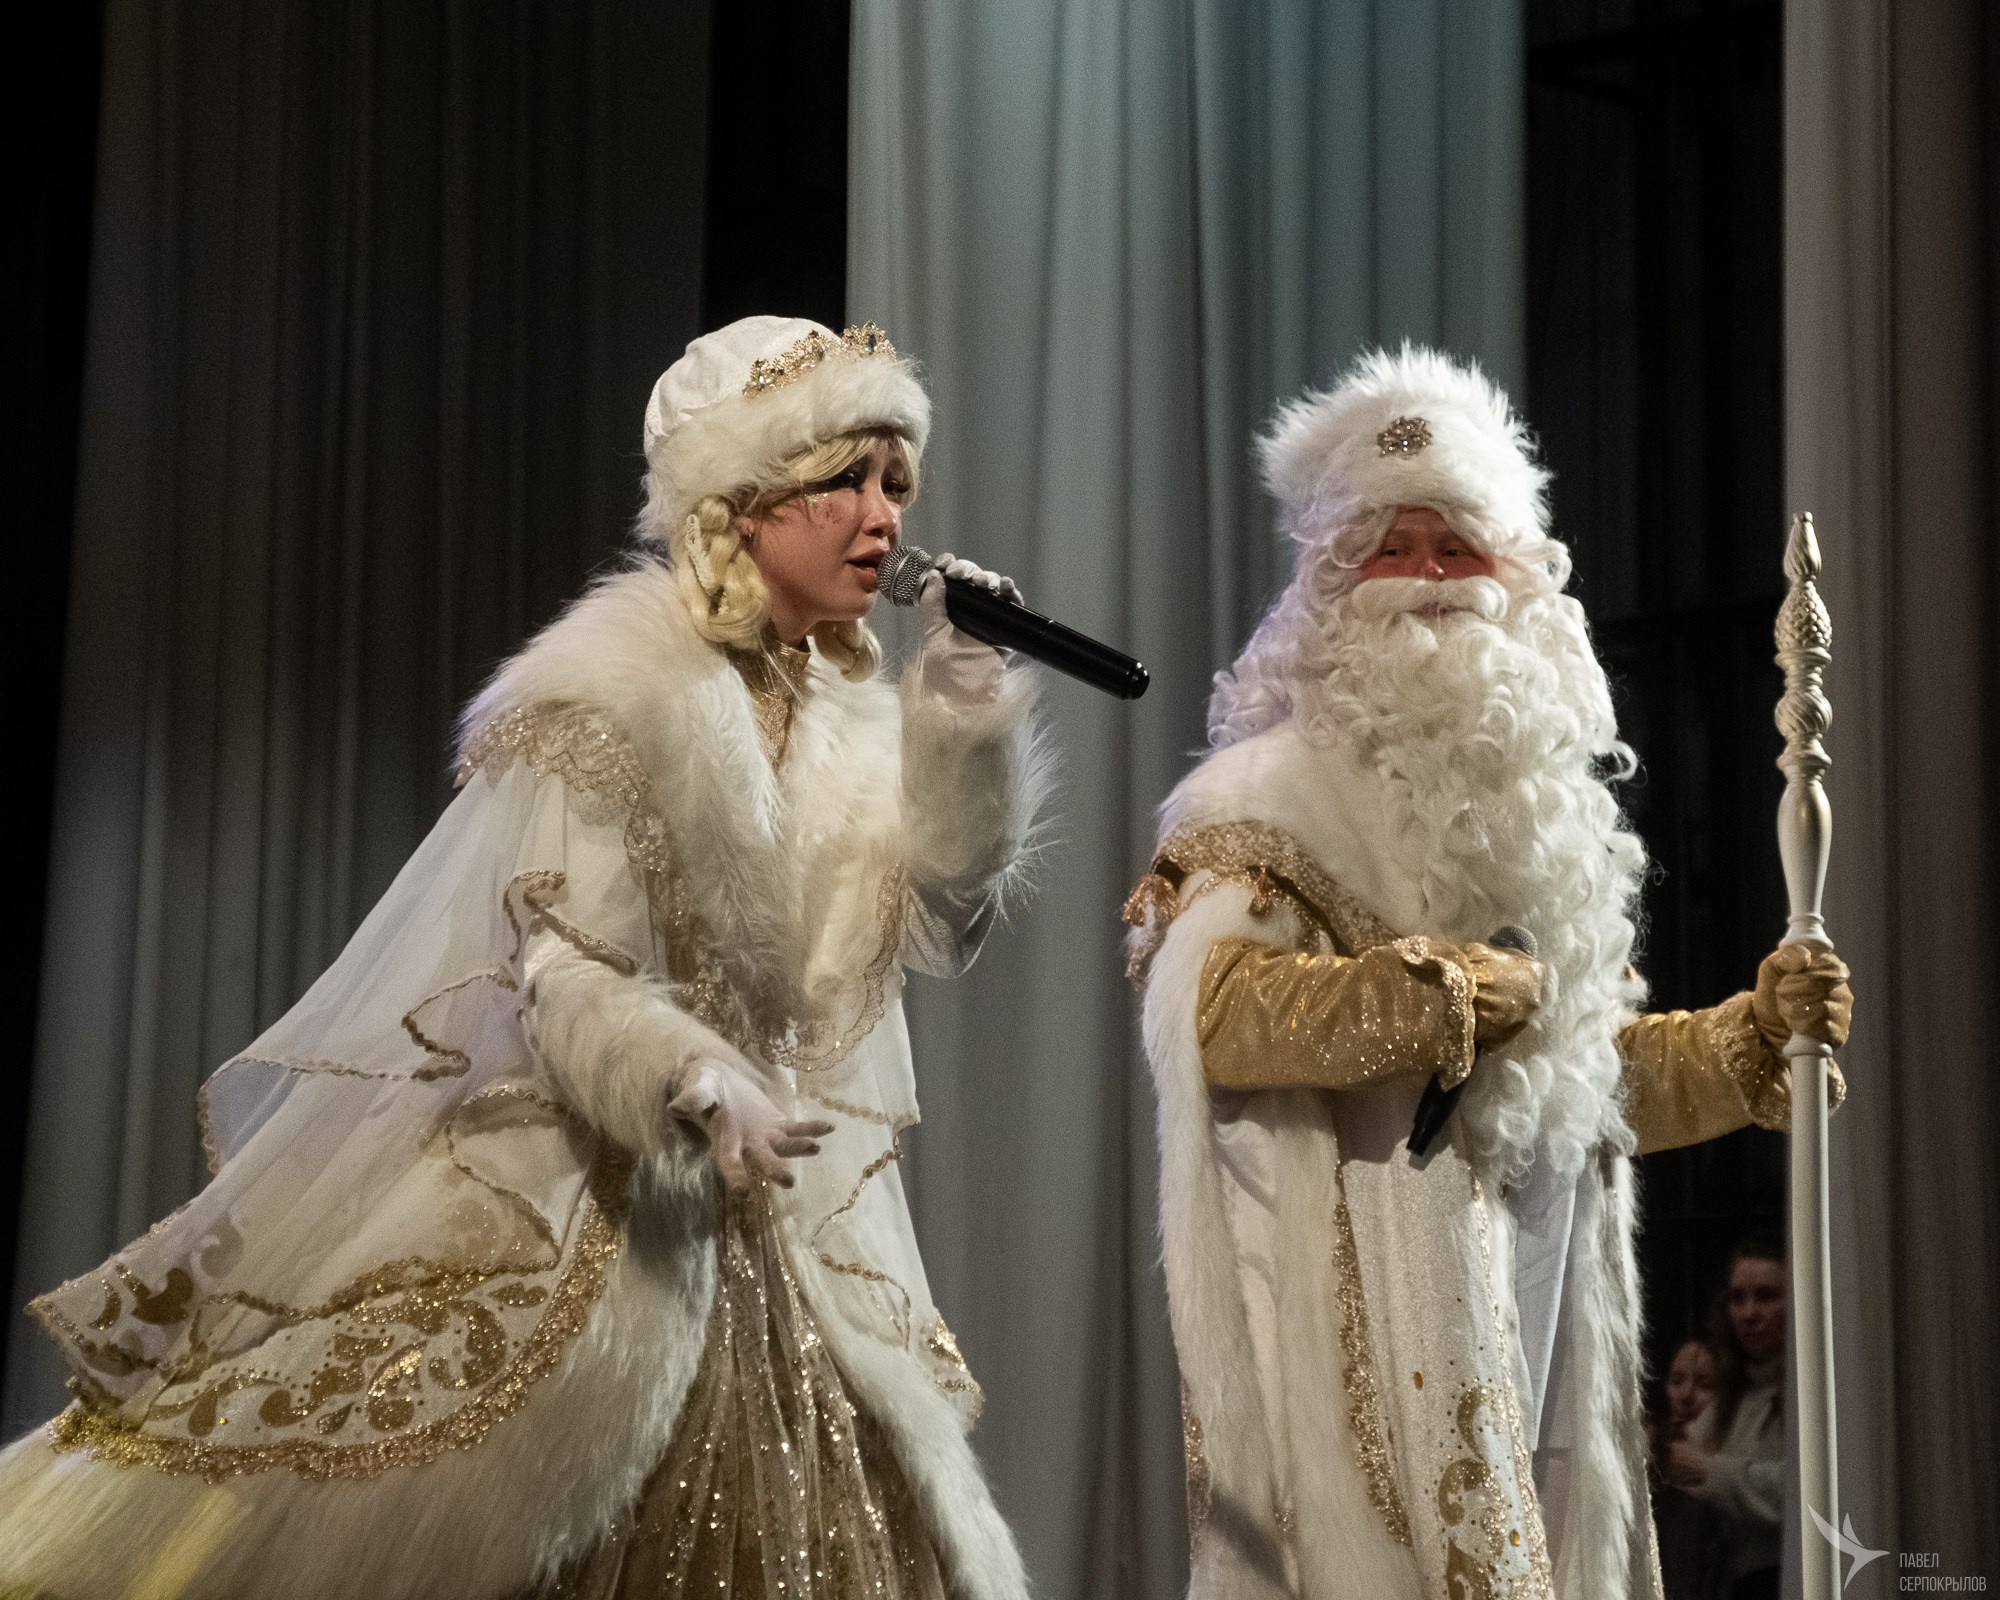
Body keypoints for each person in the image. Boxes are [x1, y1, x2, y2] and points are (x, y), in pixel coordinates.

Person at [0, 316, 1045, 1600]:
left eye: (896, 483)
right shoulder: (610, 697)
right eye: (844, 478)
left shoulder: (852, 726)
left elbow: (942, 919)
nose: (882, 515)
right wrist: (695, 1077)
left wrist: (962, 715)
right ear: (741, 502)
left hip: (784, 1231)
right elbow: (557, 968)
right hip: (608, 1206)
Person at [1123, 345, 1853, 1600]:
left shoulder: (1538, 830)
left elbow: (1580, 1082)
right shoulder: (1260, 801)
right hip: (1361, 1340)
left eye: (1459, 545)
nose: (1430, 581)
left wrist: (1742, 1047)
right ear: (1327, 584)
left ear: (1517, 575)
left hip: (1539, 1313)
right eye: (1390, 548)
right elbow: (1210, 1012)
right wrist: (1429, 998)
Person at [1666, 1240, 1791, 1600]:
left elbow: (1803, 1495)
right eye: (1738, 1298)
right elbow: (1682, 1454)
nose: (1749, 1313)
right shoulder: (1732, 1396)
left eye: (1765, 1296)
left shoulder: (1810, 1393)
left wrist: (1710, 1471)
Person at [1650, 1339, 1724, 1600]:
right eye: (1677, 1381)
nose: (1686, 1395)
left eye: (1704, 1385)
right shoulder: (1649, 1466)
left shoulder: (1724, 1477)